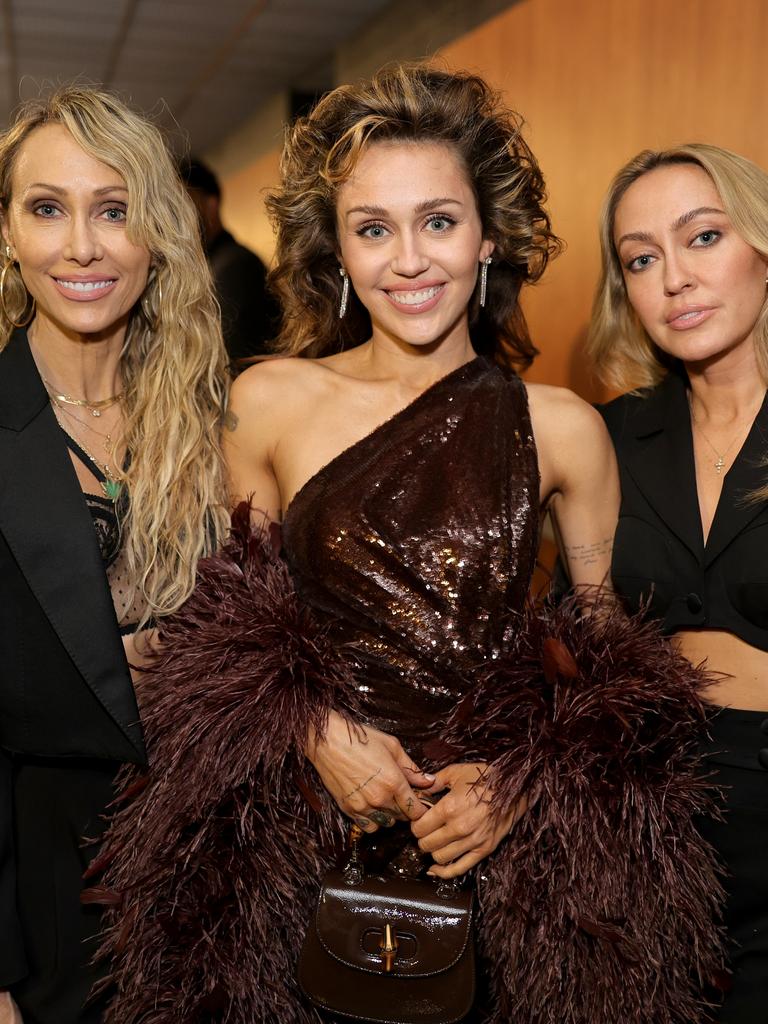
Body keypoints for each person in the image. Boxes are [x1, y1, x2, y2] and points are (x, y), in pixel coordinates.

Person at [91, 65, 723, 1024]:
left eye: (438, 221)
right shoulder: (267, 401)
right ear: (337, 249)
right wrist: (313, 731)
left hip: (495, 874)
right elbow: (205, 630)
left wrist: (521, 783)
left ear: (489, 237)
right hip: (287, 848)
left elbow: (607, 672)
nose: (409, 260)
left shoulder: (563, 430)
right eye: (373, 228)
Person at [0, 87, 229, 1024]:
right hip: (44, 891)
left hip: (217, 880)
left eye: (114, 209)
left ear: (159, 233)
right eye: (46, 208)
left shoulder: (220, 415)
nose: (81, 247)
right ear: (9, 233)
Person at [588, 142, 768, 1022]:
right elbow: (565, 637)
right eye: (642, 259)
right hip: (653, 838)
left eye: (702, 238)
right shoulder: (610, 437)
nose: (674, 280)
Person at [181, 157, 277, 369]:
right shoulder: (212, 266)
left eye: (185, 203)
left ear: (211, 205)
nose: (178, 217)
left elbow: (228, 359)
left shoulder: (235, 266)